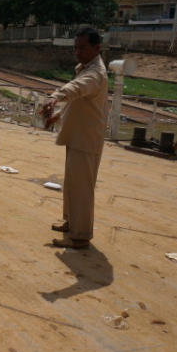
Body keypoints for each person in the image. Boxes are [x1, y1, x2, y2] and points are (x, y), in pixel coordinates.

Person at [42, 26, 108, 249]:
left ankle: (80, 236)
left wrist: (55, 97)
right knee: (72, 184)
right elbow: (78, 103)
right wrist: (57, 117)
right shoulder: (87, 67)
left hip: (86, 139)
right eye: (75, 48)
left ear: (96, 48)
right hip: (77, 136)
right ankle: (71, 223)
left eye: (82, 48)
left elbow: (77, 89)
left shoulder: (95, 72)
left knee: (81, 188)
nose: (77, 52)